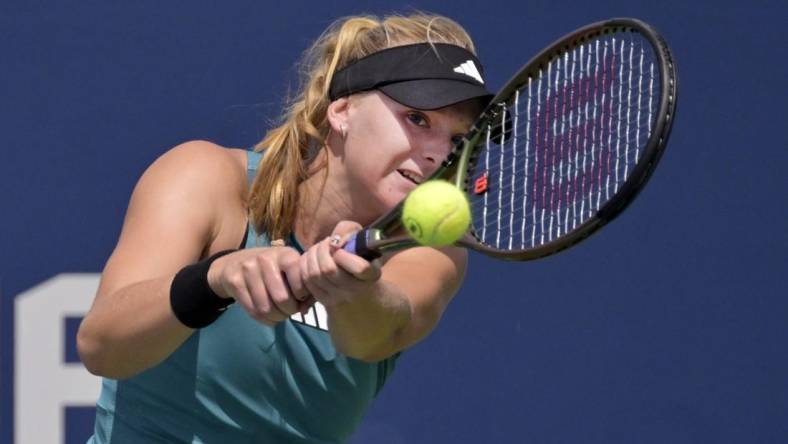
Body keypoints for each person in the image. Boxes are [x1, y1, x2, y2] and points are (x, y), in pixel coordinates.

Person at [77, 12, 493, 443]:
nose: (437, 155)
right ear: (343, 110)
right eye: (418, 120)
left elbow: (374, 337)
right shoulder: (205, 178)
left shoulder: (433, 250)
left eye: (457, 140)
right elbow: (102, 346)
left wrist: (357, 291)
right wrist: (215, 278)